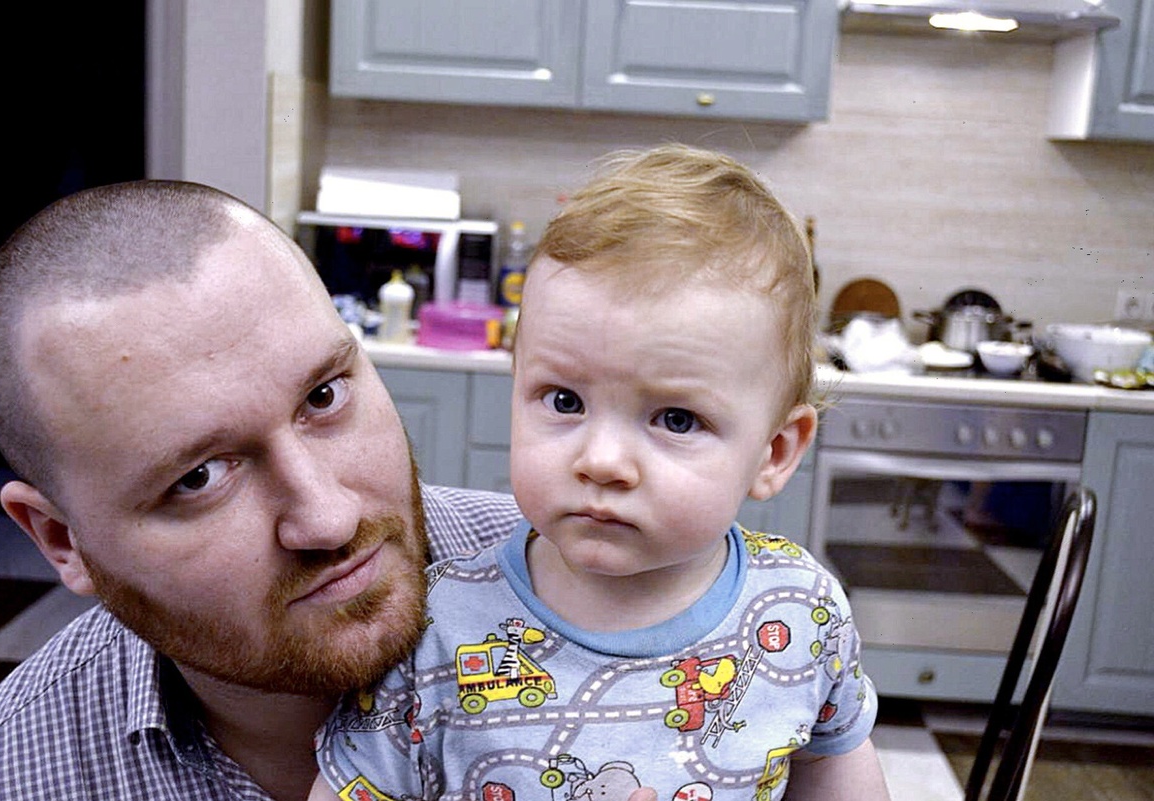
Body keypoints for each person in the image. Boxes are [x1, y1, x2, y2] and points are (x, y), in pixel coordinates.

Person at [311, 145, 890, 801]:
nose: (602, 461)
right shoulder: (433, 629)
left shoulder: (802, 613)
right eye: (565, 401)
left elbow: (835, 769)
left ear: (775, 452)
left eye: (676, 418)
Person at [0, 180, 523, 800]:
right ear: (63, 541)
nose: (328, 519)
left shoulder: (597, 574)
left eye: (323, 396)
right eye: (198, 478)